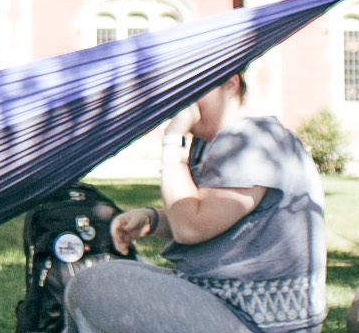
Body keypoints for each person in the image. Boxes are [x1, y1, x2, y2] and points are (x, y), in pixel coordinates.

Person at [63, 68, 324, 333]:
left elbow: (190, 228)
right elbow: (206, 216)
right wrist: (153, 220)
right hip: (226, 303)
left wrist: (172, 142)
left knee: (94, 285)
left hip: (256, 320)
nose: (185, 106)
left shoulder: (252, 140)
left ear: (231, 84)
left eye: (194, 91)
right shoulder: (217, 142)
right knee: (102, 279)